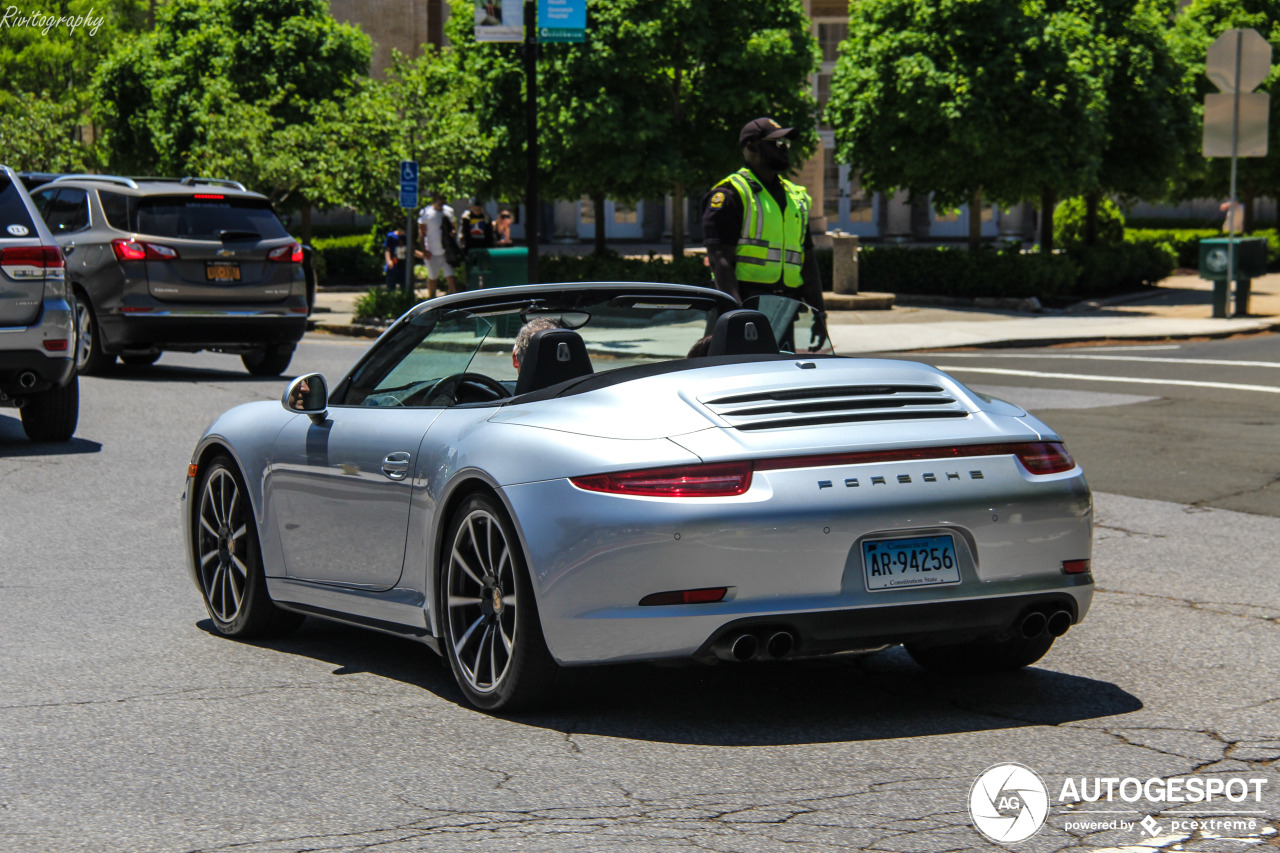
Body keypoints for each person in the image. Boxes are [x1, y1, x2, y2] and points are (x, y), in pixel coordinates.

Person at [701, 117, 827, 351]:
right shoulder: (730, 194)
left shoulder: (796, 197)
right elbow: (720, 262)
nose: (784, 148)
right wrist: (738, 316)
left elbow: (807, 261)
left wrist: (820, 314)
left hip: (785, 311)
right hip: (743, 310)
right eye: (776, 142)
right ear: (751, 146)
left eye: (786, 143)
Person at [417, 194, 459, 298]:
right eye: (440, 199)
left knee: (451, 278)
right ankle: (431, 301)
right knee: (433, 279)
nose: (442, 201)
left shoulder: (448, 211)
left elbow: (454, 227)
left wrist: (453, 233)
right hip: (432, 252)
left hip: (446, 251)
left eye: (444, 199)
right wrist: (424, 250)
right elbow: (421, 232)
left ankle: (454, 302)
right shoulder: (426, 213)